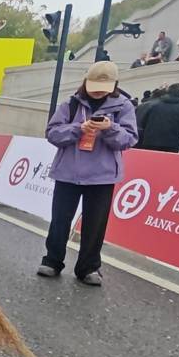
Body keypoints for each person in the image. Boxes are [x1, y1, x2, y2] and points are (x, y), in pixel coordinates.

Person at [38, 61, 138, 286]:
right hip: (68, 171)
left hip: (102, 175)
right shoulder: (71, 104)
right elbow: (52, 133)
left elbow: (129, 139)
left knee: (95, 224)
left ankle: (89, 267)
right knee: (60, 220)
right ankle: (52, 260)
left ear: (114, 85)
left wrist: (110, 128)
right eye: (94, 86)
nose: (98, 91)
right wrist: (78, 128)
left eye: (104, 87)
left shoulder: (123, 107)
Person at [135, 82, 179, 153]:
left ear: (168, 91)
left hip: (149, 141)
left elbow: (142, 121)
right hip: (172, 143)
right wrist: (177, 131)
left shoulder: (152, 104)